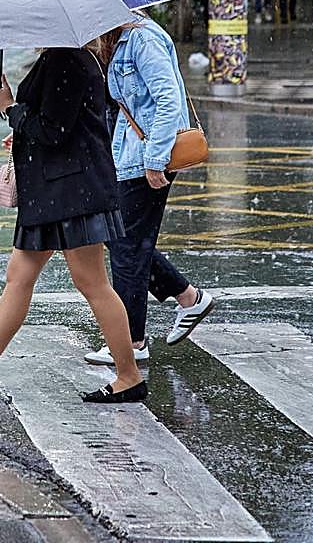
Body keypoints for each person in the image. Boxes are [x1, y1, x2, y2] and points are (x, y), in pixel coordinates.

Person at [0, 46, 146, 404]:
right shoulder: (61, 56)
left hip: (72, 191)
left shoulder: (66, 58)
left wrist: (10, 109)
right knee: (19, 276)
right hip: (52, 190)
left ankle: (129, 376)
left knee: (92, 283)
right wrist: (19, 123)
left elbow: (54, 130)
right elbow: (59, 123)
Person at [83, 19, 215, 367]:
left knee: (127, 249)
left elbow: (169, 100)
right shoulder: (122, 40)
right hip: (129, 157)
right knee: (126, 242)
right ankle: (189, 297)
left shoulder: (143, 39)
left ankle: (132, 341)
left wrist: (155, 160)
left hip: (148, 160)